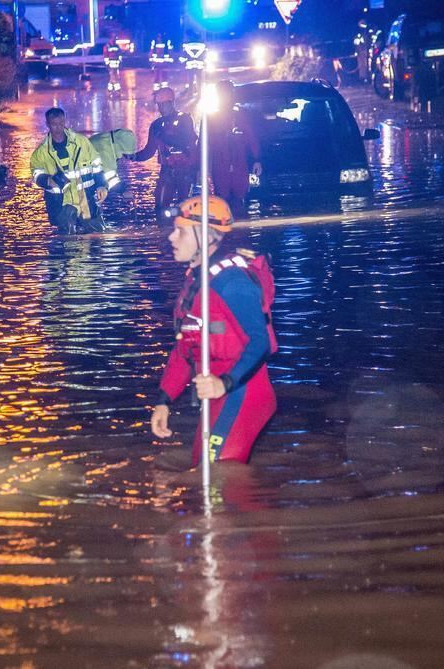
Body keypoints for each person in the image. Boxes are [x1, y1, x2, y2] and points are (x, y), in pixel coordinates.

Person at [150, 195, 277, 466]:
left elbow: (260, 342)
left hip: (241, 392)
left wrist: (224, 383)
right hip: (216, 394)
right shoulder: (195, 283)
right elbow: (186, 347)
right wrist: (164, 399)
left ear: (206, 237)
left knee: (215, 473)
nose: (172, 237)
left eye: (180, 231)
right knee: (203, 468)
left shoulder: (231, 283)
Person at [29, 108, 108, 235]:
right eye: (54, 124)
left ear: (65, 121)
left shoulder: (81, 142)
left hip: (87, 202)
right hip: (62, 205)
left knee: (98, 236)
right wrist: (47, 180)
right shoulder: (41, 153)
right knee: (67, 240)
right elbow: (36, 174)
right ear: (48, 124)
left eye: (61, 123)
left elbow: (97, 165)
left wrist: (102, 185)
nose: (58, 128)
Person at [130, 87, 199, 219]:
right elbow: (149, 151)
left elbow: (188, 141)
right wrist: (133, 156)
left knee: (185, 209)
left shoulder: (185, 120)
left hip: (185, 172)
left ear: (172, 102)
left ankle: (182, 229)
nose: (161, 108)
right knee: (160, 207)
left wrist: (197, 170)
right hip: (167, 171)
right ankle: (163, 229)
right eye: (159, 104)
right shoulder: (156, 125)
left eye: (164, 104)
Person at [208, 80, 261, 216]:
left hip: (239, 164)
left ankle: (240, 225)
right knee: (222, 200)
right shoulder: (210, 118)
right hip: (220, 165)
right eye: (222, 94)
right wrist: (201, 169)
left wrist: (257, 160)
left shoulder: (241, 116)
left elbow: (251, 138)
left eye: (228, 93)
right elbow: (204, 145)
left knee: (239, 199)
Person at [89, 128, 137, 200]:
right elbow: (110, 179)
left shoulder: (106, 140)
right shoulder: (105, 150)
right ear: (120, 148)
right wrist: (124, 191)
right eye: (124, 154)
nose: (123, 158)